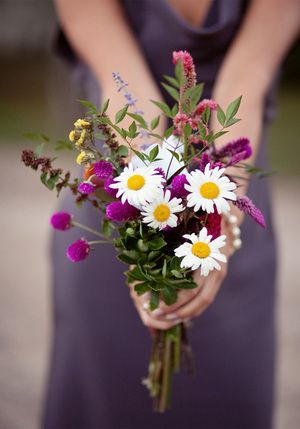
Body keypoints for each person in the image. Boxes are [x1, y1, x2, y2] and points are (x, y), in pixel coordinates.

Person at [44, 1, 299, 428]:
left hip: (228, 194)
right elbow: (122, 85)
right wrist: (149, 193)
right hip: (122, 201)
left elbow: (245, 86)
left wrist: (222, 221)